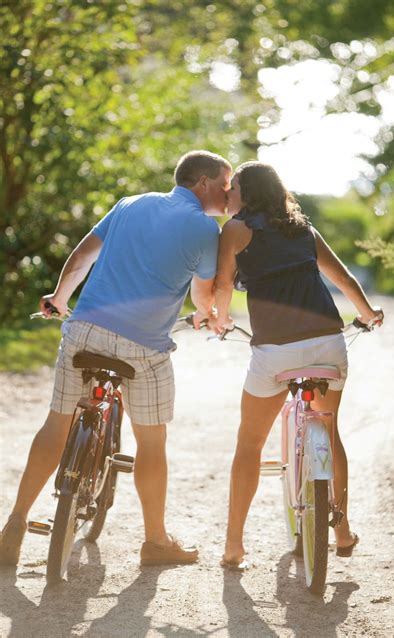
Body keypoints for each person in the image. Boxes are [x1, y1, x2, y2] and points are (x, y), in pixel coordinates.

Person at [0, 150, 231, 568]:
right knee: (151, 442)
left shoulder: (131, 203)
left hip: (85, 331)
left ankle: (15, 522)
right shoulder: (205, 229)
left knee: (58, 420)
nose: (229, 191)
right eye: (224, 183)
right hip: (144, 348)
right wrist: (205, 315)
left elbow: (82, 255)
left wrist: (59, 298)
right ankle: (156, 541)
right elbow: (202, 293)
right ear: (202, 182)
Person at [213, 161, 383, 570]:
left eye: (232, 187)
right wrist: (369, 313)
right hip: (328, 344)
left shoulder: (235, 230)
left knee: (250, 444)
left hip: (276, 353)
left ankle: (234, 545)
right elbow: (343, 280)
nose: (227, 195)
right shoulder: (304, 230)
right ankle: (341, 531)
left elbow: (222, 285)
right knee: (329, 428)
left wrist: (220, 319)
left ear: (247, 193)